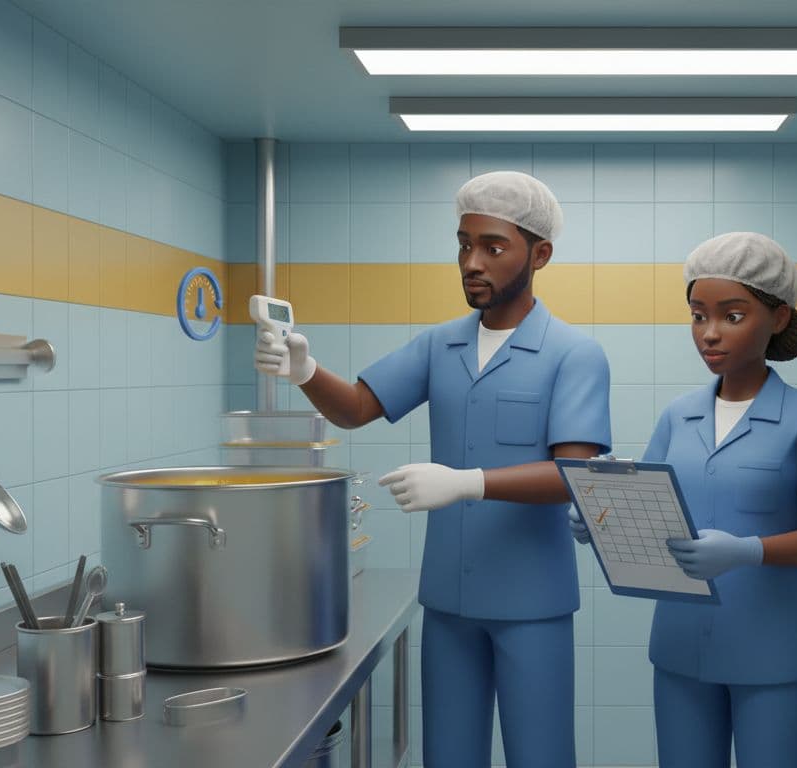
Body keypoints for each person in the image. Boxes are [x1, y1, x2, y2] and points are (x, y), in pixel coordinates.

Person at [256, 171, 611, 768]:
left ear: (540, 255)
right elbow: (357, 408)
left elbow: (575, 475)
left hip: (533, 603)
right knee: (447, 756)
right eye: (464, 245)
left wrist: (468, 483)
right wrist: (305, 371)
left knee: (542, 756)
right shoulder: (439, 346)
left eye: (493, 247)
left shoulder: (573, 354)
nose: (472, 263)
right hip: (449, 602)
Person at [570, 231, 797, 767]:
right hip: (682, 649)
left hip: (773, 652)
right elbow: (651, 510)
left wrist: (749, 550)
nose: (709, 333)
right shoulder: (678, 416)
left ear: (778, 317)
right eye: (698, 316)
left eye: (732, 315)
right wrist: (600, 515)